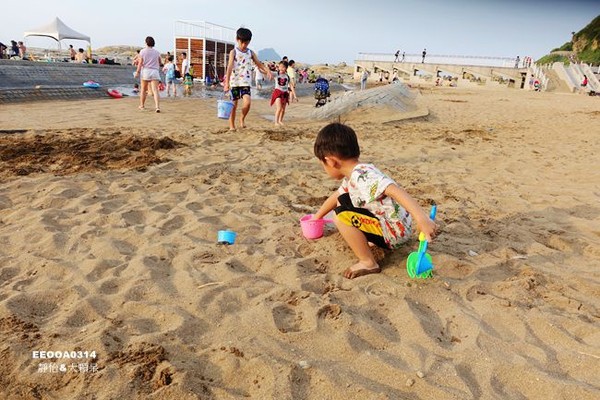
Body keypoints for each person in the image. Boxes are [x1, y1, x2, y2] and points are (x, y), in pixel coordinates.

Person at [311, 123, 437, 279]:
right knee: (343, 200)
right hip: (392, 225)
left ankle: (368, 262)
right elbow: (337, 195)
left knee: (339, 216)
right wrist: (317, 217)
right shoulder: (356, 173)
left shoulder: (363, 176)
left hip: (394, 232)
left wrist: (421, 218)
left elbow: (395, 190)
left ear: (330, 161)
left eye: (322, 164)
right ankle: (370, 241)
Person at [223, 27, 273, 130]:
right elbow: (229, 67)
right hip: (234, 83)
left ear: (249, 41)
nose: (244, 45)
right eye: (242, 43)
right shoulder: (234, 52)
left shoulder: (250, 52)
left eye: (246, 43)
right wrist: (226, 83)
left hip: (245, 83)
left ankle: (242, 118)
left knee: (248, 102)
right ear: (237, 39)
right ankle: (232, 125)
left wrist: (268, 70)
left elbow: (259, 64)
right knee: (233, 105)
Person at [134, 36, 162, 113]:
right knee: (155, 90)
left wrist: (137, 72)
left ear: (146, 42)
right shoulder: (157, 52)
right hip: (155, 71)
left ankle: (142, 105)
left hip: (146, 71)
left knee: (143, 89)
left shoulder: (142, 51)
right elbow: (160, 62)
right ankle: (157, 107)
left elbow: (140, 63)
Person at [271, 60, 290, 126]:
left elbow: (288, 85)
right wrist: (261, 69)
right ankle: (276, 122)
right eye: (280, 67)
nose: (281, 68)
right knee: (279, 108)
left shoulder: (287, 76)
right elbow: (268, 72)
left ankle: (280, 121)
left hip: (285, 93)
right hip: (277, 92)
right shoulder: (277, 74)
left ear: (286, 68)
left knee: (283, 109)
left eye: (283, 67)